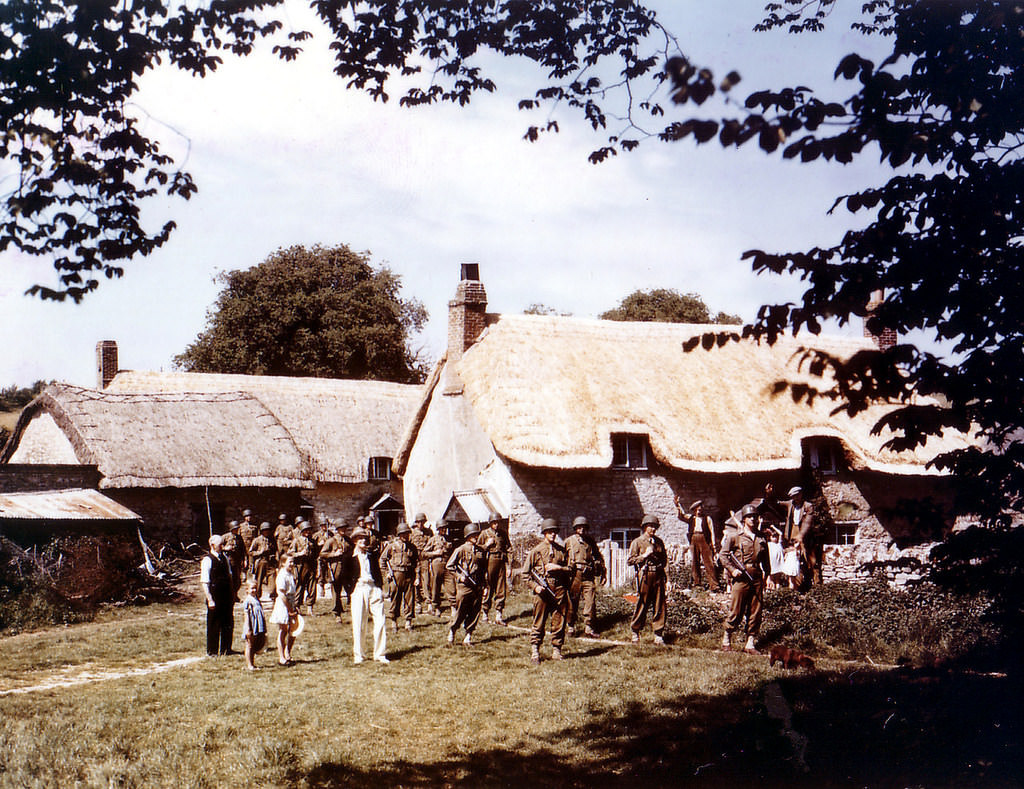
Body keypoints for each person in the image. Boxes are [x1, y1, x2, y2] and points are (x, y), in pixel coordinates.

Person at [720, 505, 771, 654]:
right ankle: (726, 639)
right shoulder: (735, 536)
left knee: (756, 610)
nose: (753, 519)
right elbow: (723, 555)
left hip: (756, 576)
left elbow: (766, 559)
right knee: (736, 610)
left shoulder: (761, 537)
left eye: (755, 516)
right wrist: (732, 570)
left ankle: (750, 643)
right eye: (750, 517)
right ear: (744, 519)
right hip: (741, 577)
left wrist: (767, 575)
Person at [524, 518, 571, 662]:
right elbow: (525, 574)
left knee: (559, 620)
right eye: (550, 532)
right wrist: (535, 587)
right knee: (539, 621)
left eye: (554, 532)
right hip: (542, 591)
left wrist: (559, 568)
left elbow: (570, 569)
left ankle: (556, 650)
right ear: (544, 533)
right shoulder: (536, 551)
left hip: (559, 589)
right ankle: (535, 651)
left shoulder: (561, 551)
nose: (553, 534)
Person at [343, 527, 389, 664]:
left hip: (373, 588)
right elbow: (344, 577)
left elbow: (377, 573)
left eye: (365, 538)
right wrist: (351, 591)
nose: (363, 541)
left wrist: (379, 588)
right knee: (359, 622)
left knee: (380, 620)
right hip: (359, 589)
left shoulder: (371, 555)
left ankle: (380, 654)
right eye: (360, 538)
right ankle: (359, 655)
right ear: (355, 541)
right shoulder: (348, 557)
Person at [627, 514, 668, 645]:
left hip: (658, 575)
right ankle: (635, 631)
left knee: (659, 605)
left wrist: (668, 579)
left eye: (655, 526)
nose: (653, 529)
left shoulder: (659, 542)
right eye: (650, 526)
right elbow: (630, 561)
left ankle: (658, 634)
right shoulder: (638, 542)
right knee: (642, 604)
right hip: (645, 575)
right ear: (645, 527)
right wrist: (645, 555)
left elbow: (665, 561)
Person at [445, 522, 487, 646]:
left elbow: (483, 570)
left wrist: (484, 585)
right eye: (473, 535)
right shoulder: (460, 550)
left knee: (475, 611)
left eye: (477, 535)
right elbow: (449, 565)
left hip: (477, 585)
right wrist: (459, 576)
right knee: (461, 610)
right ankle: (452, 630)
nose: (476, 537)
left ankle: (468, 636)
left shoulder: (480, 551)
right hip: (464, 586)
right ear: (468, 536)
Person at [564, 515, 605, 637]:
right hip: (574, 575)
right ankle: (570, 626)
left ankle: (589, 626)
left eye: (584, 527)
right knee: (572, 602)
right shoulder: (569, 541)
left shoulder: (590, 542)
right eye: (579, 527)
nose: (581, 529)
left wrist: (603, 572)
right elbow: (562, 558)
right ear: (575, 528)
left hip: (588, 575)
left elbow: (598, 557)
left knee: (590, 601)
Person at [675, 497, 721, 593]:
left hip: (704, 539)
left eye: (700, 509)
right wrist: (677, 506)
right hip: (694, 538)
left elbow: (712, 532)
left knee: (708, 562)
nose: (699, 511)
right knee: (695, 562)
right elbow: (681, 516)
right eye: (697, 510)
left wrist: (713, 545)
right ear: (694, 510)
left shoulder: (707, 518)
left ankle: (714, 585)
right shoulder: (691, 518)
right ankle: (697, 584)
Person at [200, 533, 235, 656]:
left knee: (228, 622)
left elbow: (230, 576)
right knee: (214, 623)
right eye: (220, 545)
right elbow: (205, 582)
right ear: (212, 545)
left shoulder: (225, 558)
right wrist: (210, 599)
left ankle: (226, 649)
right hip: (215, 595)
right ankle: (212, 651)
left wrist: (232, 594)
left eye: (223, 544)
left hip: (226, 595)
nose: (222, 547)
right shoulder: (207, 560)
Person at [380, 522, 419, 631]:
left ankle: (408, 622)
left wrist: (417, 577)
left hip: (409, 575)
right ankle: (394, 622)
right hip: (396, 575)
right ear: (399, 535)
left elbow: (417, 562)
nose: (406, 536)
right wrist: (387, 573)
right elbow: (382, 560)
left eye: (407, 533)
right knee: (395, 598)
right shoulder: (392, 546)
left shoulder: (412, 547)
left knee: (409, 599)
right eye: (403, 534)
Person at [784, 486, 822, 586]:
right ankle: (795, 585)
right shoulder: (790, 504)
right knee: (794, 558)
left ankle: (816, 584)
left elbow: (807, 522)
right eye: (793, 496)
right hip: (793, 532)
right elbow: (776, 503)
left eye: (797, 496)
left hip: (805, 536)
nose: (795, 498)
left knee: (811, 560)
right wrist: (769, 495)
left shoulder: (808, 506)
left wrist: (801, 535)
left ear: (801, 494)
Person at [478, 516, 511, 625]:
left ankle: (499, 615)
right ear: (490, 523)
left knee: (501, 589)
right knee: (488, 587)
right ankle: (485, 614)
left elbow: (508, 548)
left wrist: (509, 566)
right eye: (494, 523)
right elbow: (477, 548)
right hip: (489, 562)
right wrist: (487, 545)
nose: (496, 525)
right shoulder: (484, 533)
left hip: (501, 562)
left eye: (498, 522)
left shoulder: (503, 533)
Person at [269, 554, 299, 665]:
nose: (292, 564)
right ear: (283, 563)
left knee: (293, 629)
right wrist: (289, 609)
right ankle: (281, 657)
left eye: (293, 562)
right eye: (289, 562)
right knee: (283, 630)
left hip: (291, 602)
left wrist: (294, 607)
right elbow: (282, 594)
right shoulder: (281, 575)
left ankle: (288, 652)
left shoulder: (290, 574)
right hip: (283, 605)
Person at [319, 524, 352, 620]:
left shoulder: (348, 540)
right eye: (341, 528)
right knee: (336, 591)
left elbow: (352, 550)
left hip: (347, 568)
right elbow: (322, 554)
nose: (343, 530)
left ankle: (351, 609)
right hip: (336, 568)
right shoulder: (331, 541)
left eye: (344, 528)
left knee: (350, 589)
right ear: (337, 529)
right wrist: (334, 554)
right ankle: (337, 613)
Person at [423, 520, 452, 616]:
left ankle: (453, 606)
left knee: (451, 586)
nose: (444, 530)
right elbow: (424, 553)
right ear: (438, 529)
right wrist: (435, 553)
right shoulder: (433, 539)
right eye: (442, 528)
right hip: (437, 565)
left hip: (447, 564)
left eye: (445, 528)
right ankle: (436, 606)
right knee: (435, 587)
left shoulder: (449, 538)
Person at [291, 519, 320, 615]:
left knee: (312, 587)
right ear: (301, 531)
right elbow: (290, 553)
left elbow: (317, 554)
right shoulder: (296, 541)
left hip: (311, 565)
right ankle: (297, 606)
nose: (307, 532)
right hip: (300, 566)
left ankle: (310, 607)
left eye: (309, 530)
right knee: (300, 586)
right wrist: (299, 553)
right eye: (305, 530)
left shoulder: (312, 541)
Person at [242, 580, 267, 670]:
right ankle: (249, 664)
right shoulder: (248, 601)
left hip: (257, 625)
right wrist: (248, 628)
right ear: (247, 590)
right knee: (249, 645)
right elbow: (246, 615)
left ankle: (252, 663)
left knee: (254, 645)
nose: (254, 590)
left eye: (255, 588)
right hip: (251, 625)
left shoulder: (256, 599)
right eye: (252, 588)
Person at [249, 521, 277, 600]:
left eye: (268, 530)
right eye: (265, 530)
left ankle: (273, 595)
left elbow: (276, 550)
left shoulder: (272, 540)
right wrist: (259, 552)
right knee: (258, 580)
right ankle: (257, 596)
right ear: (262, 531)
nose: (267, 532)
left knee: (273, 579)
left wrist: (275, 558)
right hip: (261, 561)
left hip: (270, 562)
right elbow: (250, 552)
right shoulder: (257, 540)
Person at [409, 512, 431, 613]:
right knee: (415, 581)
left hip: (425, 559)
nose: (420, 524)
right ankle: (417, 602)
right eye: (418, 522)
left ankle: (428, 601)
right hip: (414, 559)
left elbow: (431, 543)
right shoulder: (412, 533)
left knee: (426, 580)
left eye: (422, 522)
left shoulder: (428, 532)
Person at [238, 509, 257, 579]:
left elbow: (256, 537)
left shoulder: (254, 527)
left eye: (250, 516)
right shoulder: (241, 526)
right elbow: (238, 536)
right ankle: (243, 575)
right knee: (243, 561)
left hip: (251, 546)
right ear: (244, 517)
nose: (249, 518)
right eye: (247, 516)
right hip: (243, 546)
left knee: (252, 561)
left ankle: (251, 576)